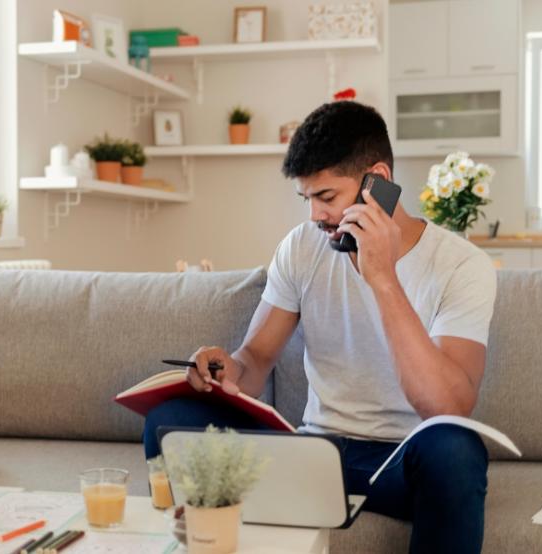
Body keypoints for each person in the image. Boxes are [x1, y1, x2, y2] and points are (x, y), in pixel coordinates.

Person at [143, 101, 497, 553]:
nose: (315, 217)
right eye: (306, 199)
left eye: (327, 197)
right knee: (169, 422)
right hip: (314, 455)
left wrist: (382, 276)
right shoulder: (302, 247)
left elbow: (447, 405)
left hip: (401, 462)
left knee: (456, 449)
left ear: (379, 182)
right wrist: (226, 372)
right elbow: (254, 362)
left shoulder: (461, 265)